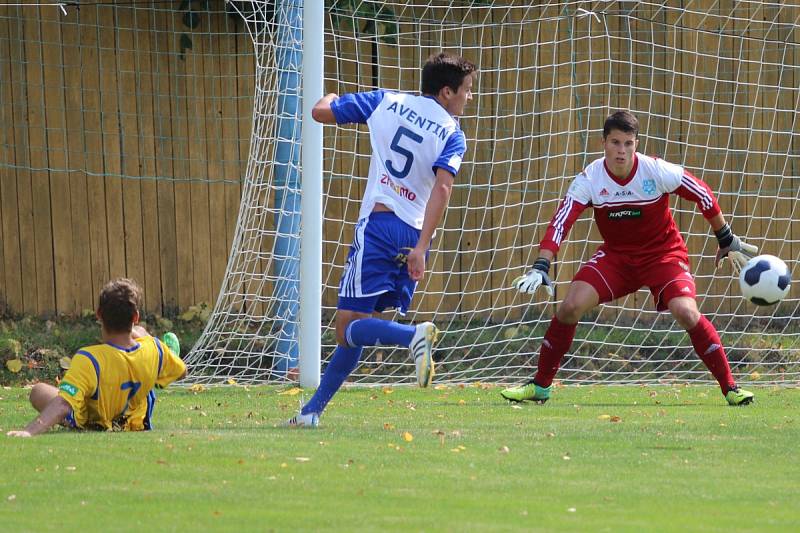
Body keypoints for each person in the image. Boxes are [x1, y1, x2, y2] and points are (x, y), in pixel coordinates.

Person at [502, 110, 758, 407]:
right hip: (617, 258)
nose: (621, 150)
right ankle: (540, 386)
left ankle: (730, 387)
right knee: (570, 306)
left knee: (686, 312)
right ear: (603, 143)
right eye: (615, 142)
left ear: (636, 144)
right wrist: (542, 263)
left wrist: (724, 236)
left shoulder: (655, 170)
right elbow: (561, 221)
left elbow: (702, 193)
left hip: (663, 255)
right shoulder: (590, 177)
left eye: (628, 143)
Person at [287, 52, 477, 427]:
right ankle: (311, 413)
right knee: (358, 326)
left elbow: (321, 113)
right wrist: (422, 247)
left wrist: (327, 96)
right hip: (411, 235)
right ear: (445, 92)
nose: (470, 97)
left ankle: (412, 337)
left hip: (378, 226)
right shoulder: (453, 134)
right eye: (467, 90)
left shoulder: (386, 101)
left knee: (345, 327)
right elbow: (442, 188)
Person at [6, 278, 186, 437]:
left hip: (94, 422)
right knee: (153, 362)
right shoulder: (153, 347)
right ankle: (166, 360)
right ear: (136, 317)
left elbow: (63, 404)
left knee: (38, 390)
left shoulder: (89, 358)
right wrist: (149, 340)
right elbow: (183, 373)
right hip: (136, 421)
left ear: (99, 314)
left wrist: (29, 431)